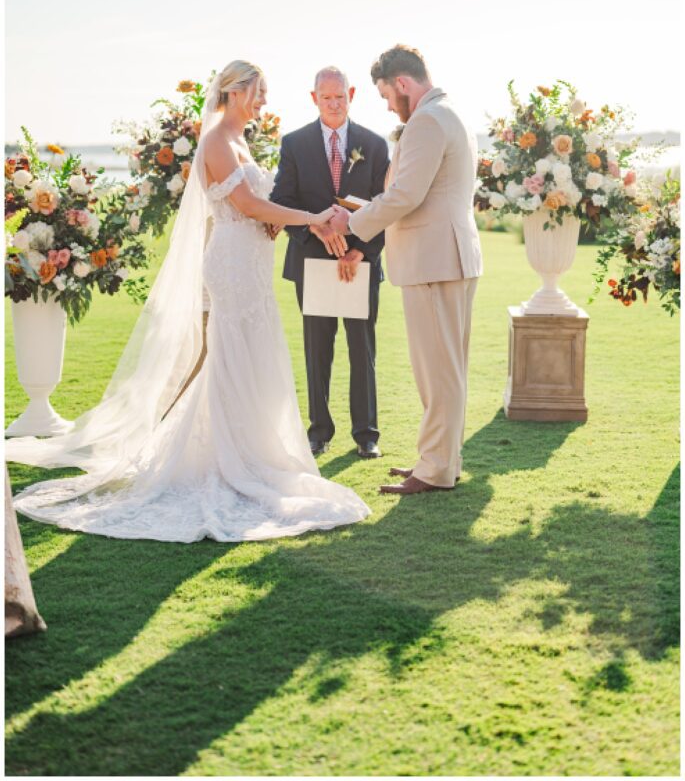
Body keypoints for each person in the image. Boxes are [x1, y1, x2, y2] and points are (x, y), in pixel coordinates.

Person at [5, 61, 371, 541]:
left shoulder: (238, 140)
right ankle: (225, 461)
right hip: (232, 265)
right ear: (236, 92)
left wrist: (278, 222)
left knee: (253, 360)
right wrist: (311, 217)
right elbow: (244, 205)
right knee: (231, 359)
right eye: (259, 92)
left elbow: (257, 207)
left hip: (252, 261)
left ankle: (253, 454)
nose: (263, 100)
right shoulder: (217, 140)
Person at [328, 45, 483, 495]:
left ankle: (435, 471)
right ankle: (440, 462)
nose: (386, 104)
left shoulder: (427, 121)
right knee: (446, 369)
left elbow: (406, 195)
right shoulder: (448, 113)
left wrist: (351, 221)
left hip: (435, 260)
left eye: (385, 94)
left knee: (437, 372)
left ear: (402, 83)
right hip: (447, 256)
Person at [270, 67, 389, 458]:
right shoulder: (295, 143)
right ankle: (318, 430)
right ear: (314, 98)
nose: (334, 104)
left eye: (340, 97)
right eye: (327, 98)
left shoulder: (373, 145)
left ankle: (366, 434)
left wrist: (362, 252)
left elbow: (387, 206)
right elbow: (283, 202)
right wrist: (316, 229)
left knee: (362, 347)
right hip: (312, 259)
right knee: (317, 348)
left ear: (351, 94)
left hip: (361, 261)